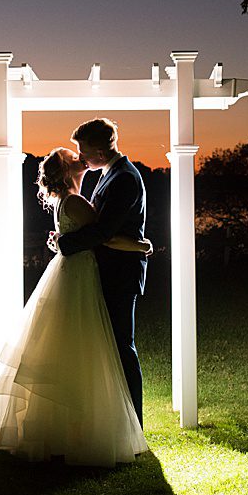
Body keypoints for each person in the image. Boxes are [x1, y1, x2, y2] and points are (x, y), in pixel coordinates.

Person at [0, 145, 150, 466]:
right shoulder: (76, 201)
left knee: (69, 347)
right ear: (67, 171)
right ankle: (86, 427)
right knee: (87, 346)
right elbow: (105, 236)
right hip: (79, 277)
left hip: (73, 273)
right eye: (71, 157)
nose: (79, 158)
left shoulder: (68, 201)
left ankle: (71, 424)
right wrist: (141, 244)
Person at [50, 117, 148, 428]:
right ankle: (112, 419)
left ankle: (134, 424)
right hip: (104, 271)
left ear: (100, 153)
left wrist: (64, 243)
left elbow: (103, 231)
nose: (79, 156)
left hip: (120, 275)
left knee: (122, 346)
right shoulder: (110, 173)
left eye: (82, 150)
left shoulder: (124, 179)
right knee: (108, 347)